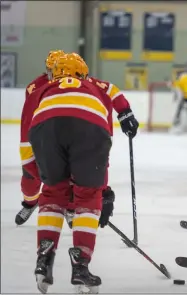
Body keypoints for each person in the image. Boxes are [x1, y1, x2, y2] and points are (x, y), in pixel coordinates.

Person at [21, 53, 114, 294]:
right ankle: (81, 265)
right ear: (82, 74)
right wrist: (101, 188)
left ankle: (44, 258)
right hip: (89, 126)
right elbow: (102, 131)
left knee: (52, 193)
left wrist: (34, 171)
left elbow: (29, 129)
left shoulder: (42, 87)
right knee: (87, 196)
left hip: (44, 127)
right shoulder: (92, 87)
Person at [61, 53, 139, 228]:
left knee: (88, 169)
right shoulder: (86, 85)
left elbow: (114, 92)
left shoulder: (90, 85)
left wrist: (126, 113)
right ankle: (78, 205)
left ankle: (94, 200)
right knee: (85, 170)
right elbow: (114, 92)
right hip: (91, 136)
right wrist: (125, 114)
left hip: (91, 136)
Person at [16, 50, 65, 226]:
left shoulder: (72, 84)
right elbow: (28, 118)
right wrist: (27, 144)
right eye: (51, 69)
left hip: (61, 137)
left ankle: (69, 208)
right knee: (30, 178)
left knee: (67, 175)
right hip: (38, 136)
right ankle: (30, 202)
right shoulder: (34, 87)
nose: (54, 74)